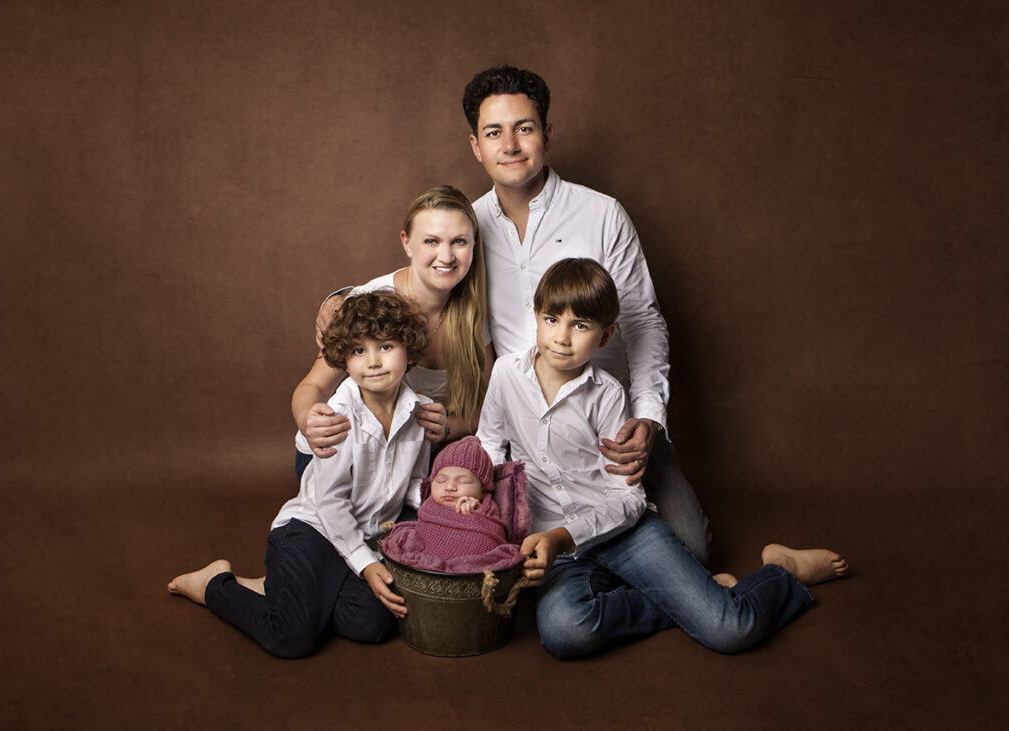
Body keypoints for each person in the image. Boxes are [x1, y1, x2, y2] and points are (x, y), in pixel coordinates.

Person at [475, 258, 848, 659]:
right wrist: (487, 518)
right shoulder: (505, 374)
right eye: (552, 319)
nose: (561, 337)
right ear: (535, 315)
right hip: (560, 550)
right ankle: (694, 596)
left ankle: (783, 572)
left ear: (605, 336)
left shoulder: (609, 396)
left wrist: (560, 537)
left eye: (580, 325)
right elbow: (491, 446)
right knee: (566, 631)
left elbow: (629, 499)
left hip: (623, 533)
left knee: (731, 630)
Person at [461, 65, 712, 566]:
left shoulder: (601, 214)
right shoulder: (468, 226)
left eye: (524, 128)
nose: (510, 144)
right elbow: (420, 278)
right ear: (476, 146)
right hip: (530, 439)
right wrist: (342, 297)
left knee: (693, 554)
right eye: (494, 132)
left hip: (613, 430)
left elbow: (643, 322)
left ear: (547, 135)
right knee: (526, 565)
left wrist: (647, 420)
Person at [168, 290, 433, 656]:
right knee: (292, 636)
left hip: (366, 535)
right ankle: (213, 583)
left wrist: (441, 502)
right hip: (315, 529)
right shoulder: (337, 417)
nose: (373, 361)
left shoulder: (421, 413)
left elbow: (414, 484)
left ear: (408, 347)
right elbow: (329, 501)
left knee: (372, 623)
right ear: (344, 358)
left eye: (386, 346)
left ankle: (290, 588)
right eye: (358, 351)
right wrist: (365, 565)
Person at [295, 185, 494, 477]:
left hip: (411, 460)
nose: (447, 255)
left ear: (474, 245)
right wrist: (308, 420)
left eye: (459, 242)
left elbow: (492, 407)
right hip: (344, 457)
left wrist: (450, 426)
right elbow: (312, 386)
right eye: (431, 241)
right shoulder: (371, 302)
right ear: (407, 243)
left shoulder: (474, 312)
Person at [379, 436, 523, 574]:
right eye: (441, 480)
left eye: (463, 481)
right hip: (421, 570)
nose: (450, 487)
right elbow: (421, 530)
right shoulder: (429, 505)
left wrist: (478, 513)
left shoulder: (485, 506)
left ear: (483, 488)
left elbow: (493, 534)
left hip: (466, 572)